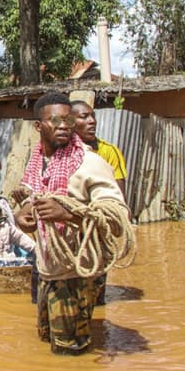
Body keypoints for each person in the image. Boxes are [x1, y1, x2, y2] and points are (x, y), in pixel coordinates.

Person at [12, 92, 130, 356]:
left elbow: (118, 218)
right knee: (46, 342)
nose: (64, 126)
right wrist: (26, 214)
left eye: (67, 120)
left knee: (70, 352)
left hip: (77, 274)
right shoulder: (38, 161)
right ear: (39, 127)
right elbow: (37, 198)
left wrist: (67, 214)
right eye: (55, 121)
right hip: (48, 270)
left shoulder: (90, 163)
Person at [70, 99, 129, 305]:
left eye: (92, 115)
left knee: (95, 292)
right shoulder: (60, 154)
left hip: (95, 227)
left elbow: (117, 195)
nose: (92, 121)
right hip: (70, 230)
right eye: (84, 116)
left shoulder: (108, 152)